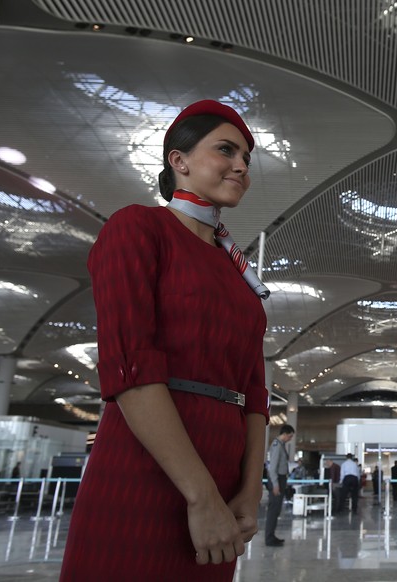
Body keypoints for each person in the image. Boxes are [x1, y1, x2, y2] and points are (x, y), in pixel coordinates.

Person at [61, 100, 269, 581]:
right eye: (226, 150)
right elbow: (131, 367)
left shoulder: (237, 272)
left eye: (246, 158)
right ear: (179, 161)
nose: (241, 165)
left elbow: (254, 393)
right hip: (147, 467)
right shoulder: (138, 228)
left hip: (224, 474)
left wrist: (248, 490)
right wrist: (200, 496)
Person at [264, 424, 295, 546]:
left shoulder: (281, 445)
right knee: (273, 510)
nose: (290, 439)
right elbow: (273, 468)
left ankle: (272, 535)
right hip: (277, 480)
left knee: (276, 511)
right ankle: (269, 538)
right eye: (290, 436)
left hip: (281, 479)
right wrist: (276, 485)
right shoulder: (277, 445)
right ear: (285, 434)